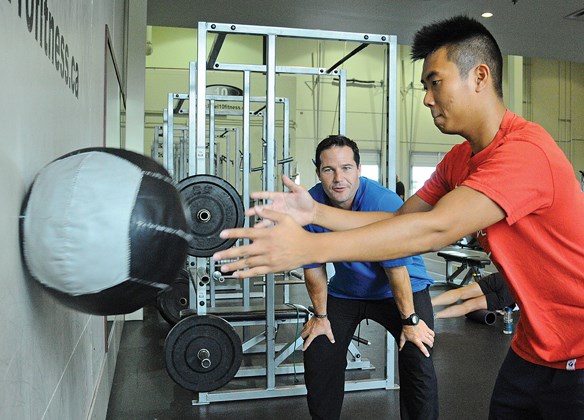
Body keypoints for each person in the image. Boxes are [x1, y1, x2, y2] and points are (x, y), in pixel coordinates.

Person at [214, 15, 584, 419]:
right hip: (534, 349)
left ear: (479, 76)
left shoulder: (524, 152)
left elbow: (432, 229)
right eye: (425, 86)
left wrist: (309, 246)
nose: (426, 98)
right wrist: (315, 212)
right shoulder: (460, 159)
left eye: (435, 82)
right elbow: (398, 221)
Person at [301, 134, 437, 420]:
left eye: (347, 168)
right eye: (329, 170)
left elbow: (395, 270)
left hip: (401, 290)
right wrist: (321, 317)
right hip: (348, 292)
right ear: (318, 173)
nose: (339, 178)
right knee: (319, 349)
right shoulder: (310, 205)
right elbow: (313, 267)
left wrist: (410, 322)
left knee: (417, 356)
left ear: (359, 170)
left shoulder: (383, 202)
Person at [431, 272, 514, 319]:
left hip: (504, 277)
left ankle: (428, 303)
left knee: (461, 292)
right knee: (468, 307)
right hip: (511, 294)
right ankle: (434, 316)